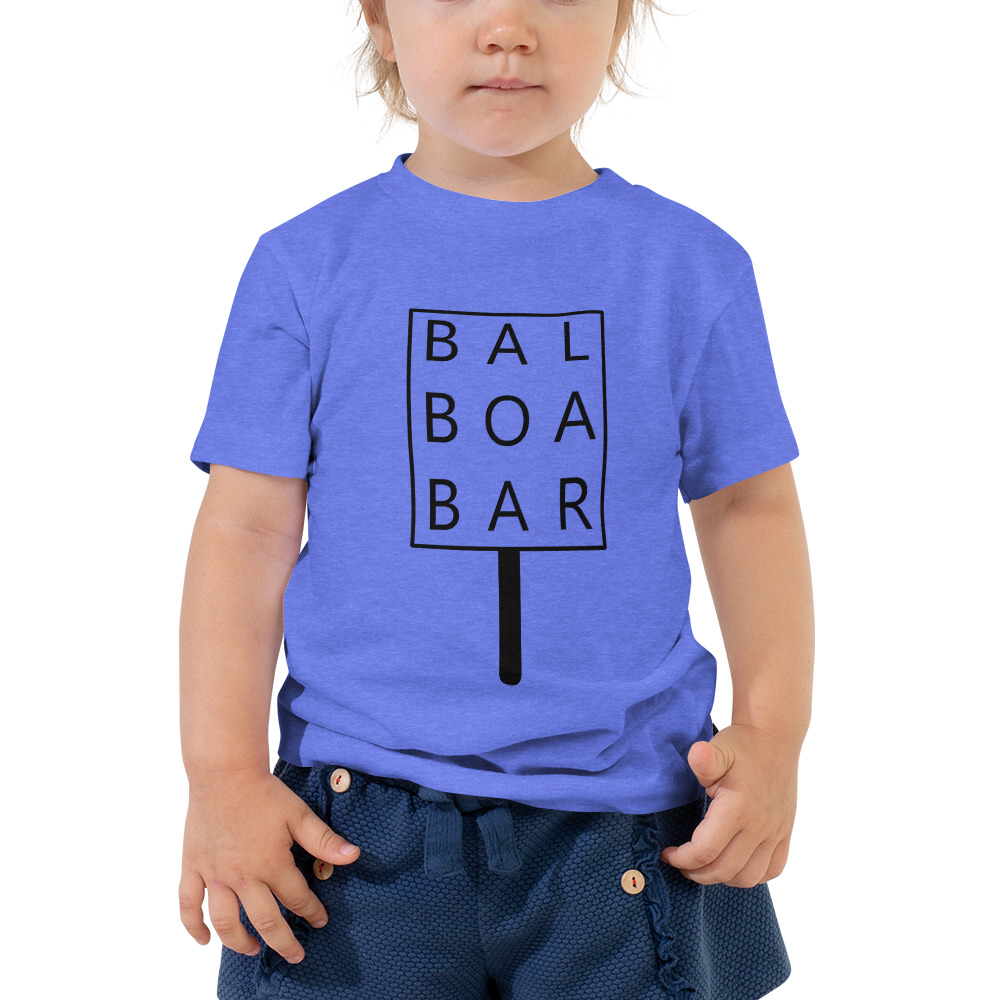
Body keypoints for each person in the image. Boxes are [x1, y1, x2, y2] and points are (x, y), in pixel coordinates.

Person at [178, 1, 814, 998]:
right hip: (350, 837)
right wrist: (222, 776)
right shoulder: (306, 265)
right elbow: (246, 530)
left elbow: (748, 509)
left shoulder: (690, 267)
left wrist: (773, 736)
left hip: (628, 827)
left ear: (621, 15)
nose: (508, 28)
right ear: (380, 17)